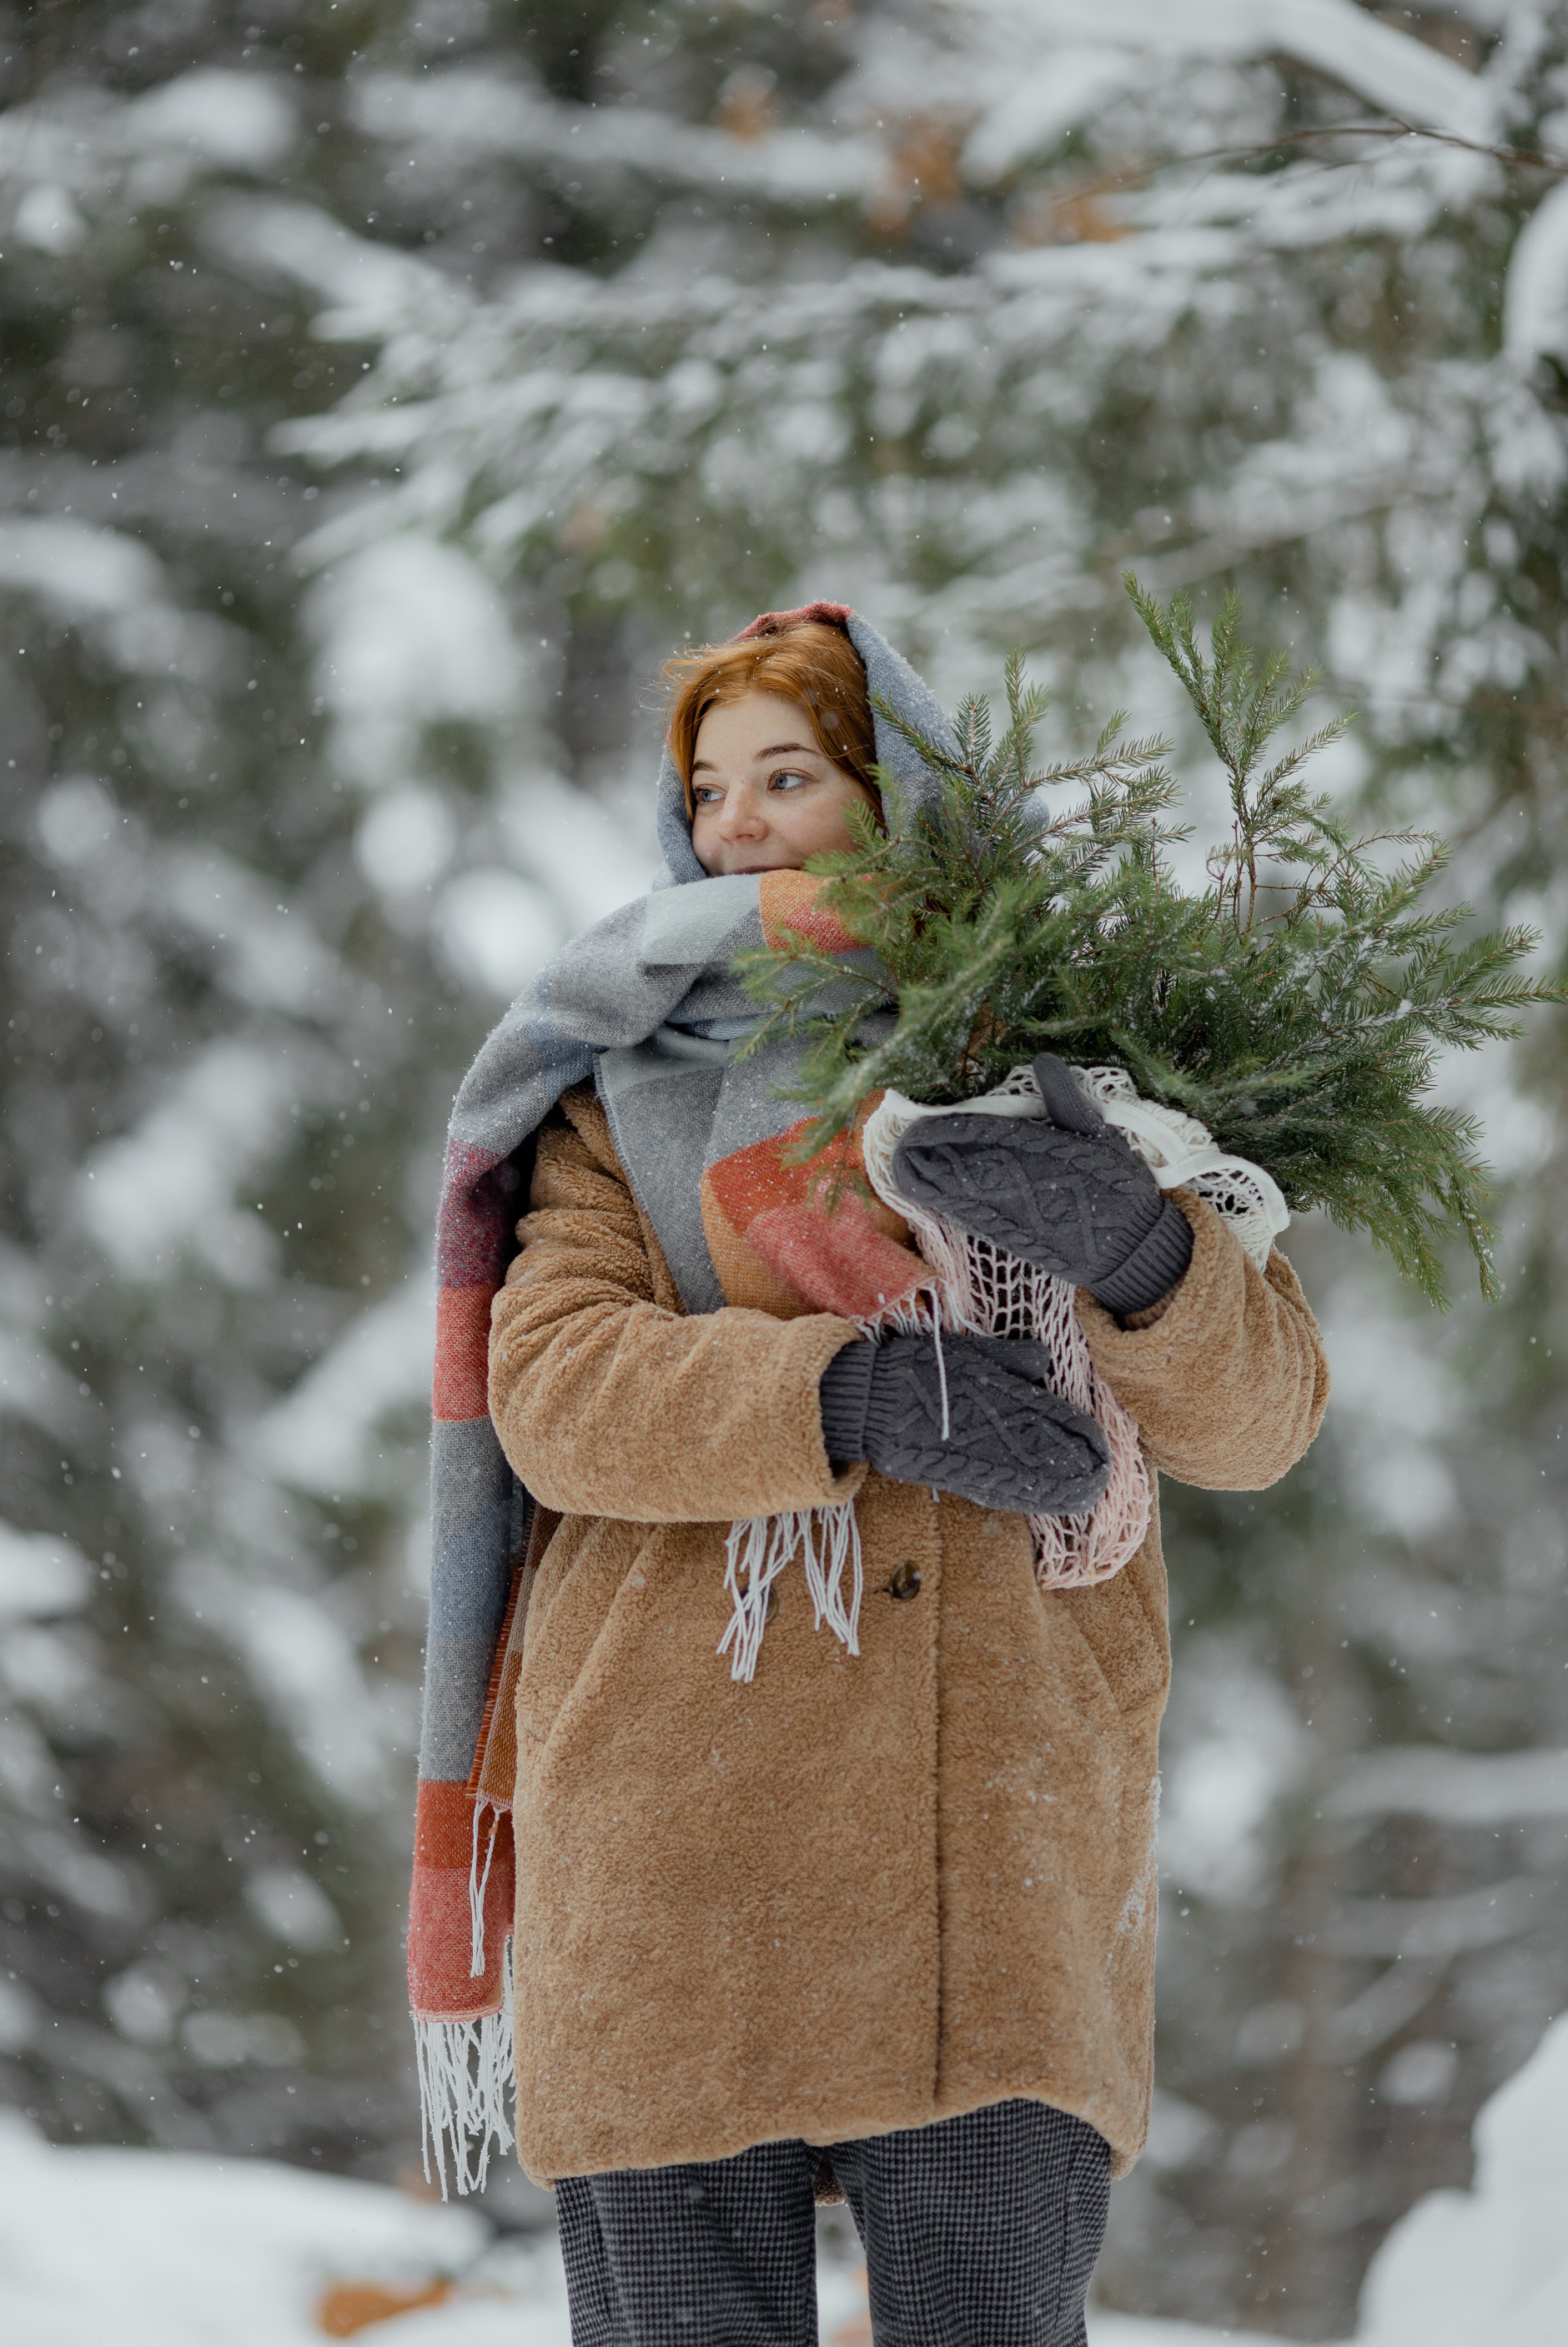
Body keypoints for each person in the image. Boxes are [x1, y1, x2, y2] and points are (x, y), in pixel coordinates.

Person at [414, 605, 1329, 2347]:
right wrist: (843, 1400)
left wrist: (1139, 1250)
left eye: (791, 775)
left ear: (901, 794)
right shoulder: (614, 1086)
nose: (736, 824)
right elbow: (552, 1387)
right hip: (671, 1828)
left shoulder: (1093, 1070)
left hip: (985, 1825)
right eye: (706, 789)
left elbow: (1259, 1420)